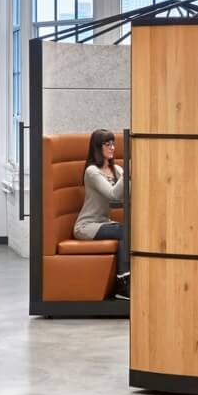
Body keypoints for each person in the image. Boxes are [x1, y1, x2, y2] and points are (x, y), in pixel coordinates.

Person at [72, 128, 129, 299]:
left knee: (132, 229)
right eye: (107, 144)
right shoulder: (92, 172)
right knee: (125, 231)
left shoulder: (116, 169)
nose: (112, 147)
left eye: (113, 143)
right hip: (87, 226)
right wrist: (128, 174)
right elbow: (113, 195)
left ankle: (129, 281)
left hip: (104, 222)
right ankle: (123, 284)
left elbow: (126, 193)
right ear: (98, 147)